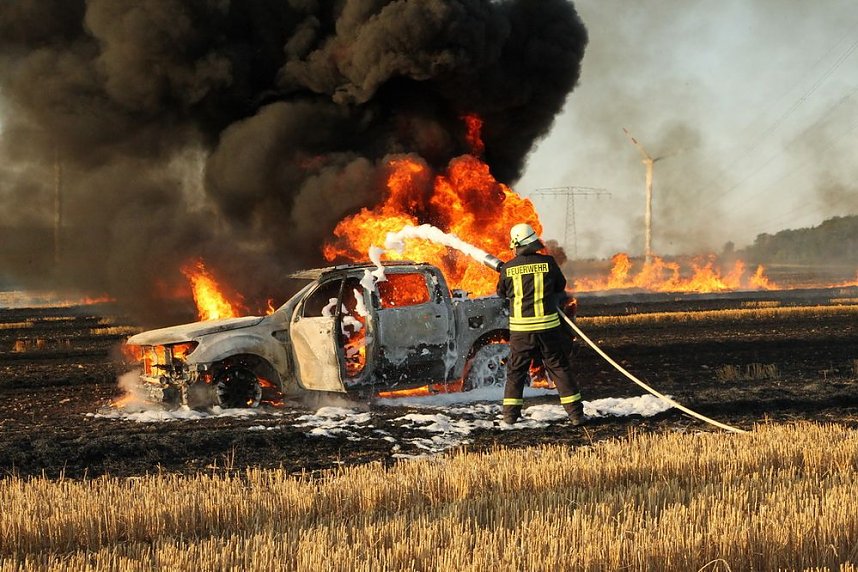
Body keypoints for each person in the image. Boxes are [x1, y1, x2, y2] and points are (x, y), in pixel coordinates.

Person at [496, 223, 585, 426]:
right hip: (548, 328)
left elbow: (502, 293)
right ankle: (576, 415)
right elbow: (560, 286)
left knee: (516, 371)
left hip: (521, 331)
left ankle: (510, 417)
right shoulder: (549, 263)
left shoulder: (508, 268)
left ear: (517, 245)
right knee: (559, 368)